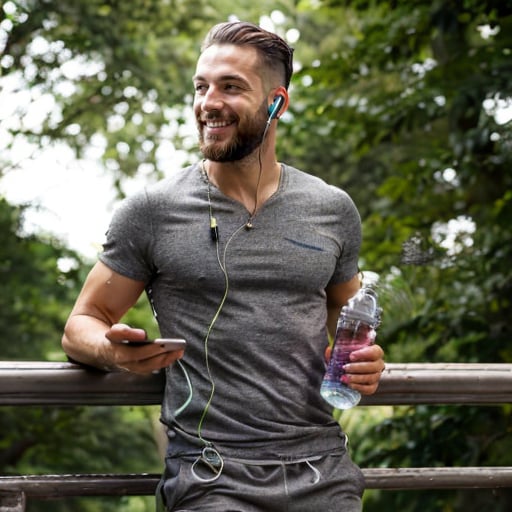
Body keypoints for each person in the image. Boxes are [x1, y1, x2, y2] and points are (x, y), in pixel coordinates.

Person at [62, 20, 385, 512]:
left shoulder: (333, 208)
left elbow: (349, 319)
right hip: (210, 477)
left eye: (230, 87)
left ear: (277, 102)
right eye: (201, 86)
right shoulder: (151, 210)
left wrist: (366, 362)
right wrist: (114, 352)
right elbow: (80, 326)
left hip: (324, 471)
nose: (207, 102)